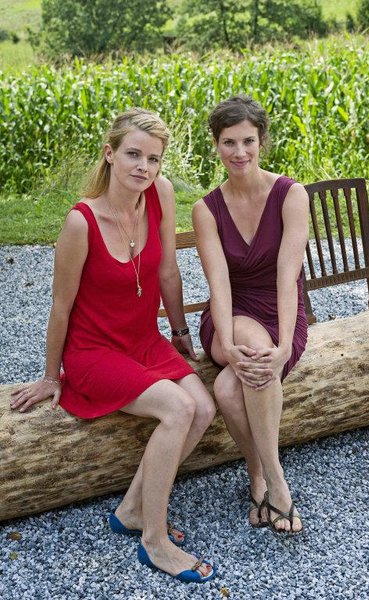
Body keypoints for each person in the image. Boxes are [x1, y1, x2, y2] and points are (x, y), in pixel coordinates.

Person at [10, 108, 217, 582]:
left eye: (154, 159)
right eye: (133, 155)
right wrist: (51, 376)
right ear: (109, 153)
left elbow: (168, 271)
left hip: (144, 340)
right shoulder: (81, 222)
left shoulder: (160, 195)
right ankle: (155, 541)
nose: (144, 167)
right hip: (94, 353)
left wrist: (181, 334)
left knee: (203, 407)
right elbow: (60, 306)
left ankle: (131, 510)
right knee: (179, 409)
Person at [192, 95, 309, 533]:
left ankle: (256, 473)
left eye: (247, 141)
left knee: (227, 390)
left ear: (262, 142)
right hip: (230, 314)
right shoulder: (206, 209)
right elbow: (219, 286)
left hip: (280, 311)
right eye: (228, 142)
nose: (239, 152)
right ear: (216, 145)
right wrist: (225, 344)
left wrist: (285, 346)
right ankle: (278, 483)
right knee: (253, 352)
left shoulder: (290, 195)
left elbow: (287, 278)